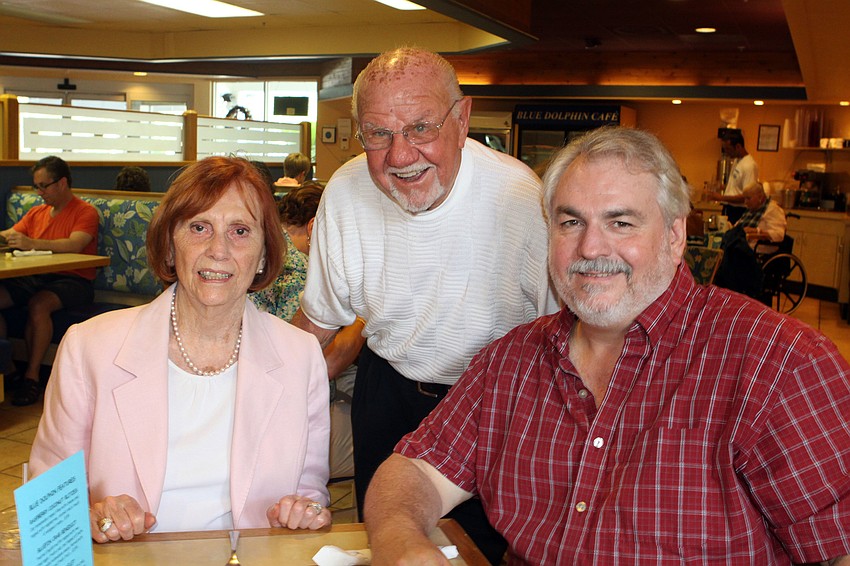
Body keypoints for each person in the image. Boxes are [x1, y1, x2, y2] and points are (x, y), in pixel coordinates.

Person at [364, 126, 850, 565]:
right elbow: (414, 472)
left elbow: (838, 549)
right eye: (570, 222)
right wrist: (400, 542)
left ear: (675, 235)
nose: (591, 248)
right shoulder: (511, 360)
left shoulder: (780, 363)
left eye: (621, 223)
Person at [291, 47, 557, 564]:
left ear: (462, 119)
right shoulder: (345, 191)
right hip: (388, 389)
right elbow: (317, 323)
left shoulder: (521, 199)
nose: (400, 155)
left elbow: (563, 338)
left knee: (482, 551)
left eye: (420, 128)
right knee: (385, 542)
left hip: (494, 402)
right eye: (378, 134)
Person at [28, 156, 332, 543]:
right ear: (170, 247)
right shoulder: (90, 348)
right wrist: (89, 519)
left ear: (263, 255)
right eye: (199, 227)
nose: (218, 249)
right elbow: (47, 510)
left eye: (240, 230)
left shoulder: (300, 357)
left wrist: (303, 513)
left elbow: (309, 495)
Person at [249, 181, 366, 478]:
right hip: (278, 418)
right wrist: (364, 317)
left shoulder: (257, 247)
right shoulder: (300, 272)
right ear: (315, 226)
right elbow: (321, 365)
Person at [0, 156, 99, 406]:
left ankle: (32, 378)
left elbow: (75, 244)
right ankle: (8, 369)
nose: (39, 192)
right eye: (36, 187)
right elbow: (10, 234)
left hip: (74, 279)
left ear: (62, 183)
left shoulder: (85, 212)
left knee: (39, 305)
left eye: (44, 186)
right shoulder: (36, 212)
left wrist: (31, 243)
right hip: (36, 277)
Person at [706, 129, 758, 224]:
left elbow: (746, 196)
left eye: (728, 149)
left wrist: (721, 198)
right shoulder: (737, 161)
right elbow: (738, 187)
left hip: (738, 211)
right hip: (729, 208)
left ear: (738, 146)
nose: (726, 153)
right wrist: (723, 187)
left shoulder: (749, 165)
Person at [736, 181, 787, 251]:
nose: (745, 202)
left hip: (758, 248)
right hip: (742, 245)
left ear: (760, 197)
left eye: (748, 198)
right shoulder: (751, 209)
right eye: (744, 198)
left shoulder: (773, 210)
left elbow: (779, 235)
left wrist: (756, 231)